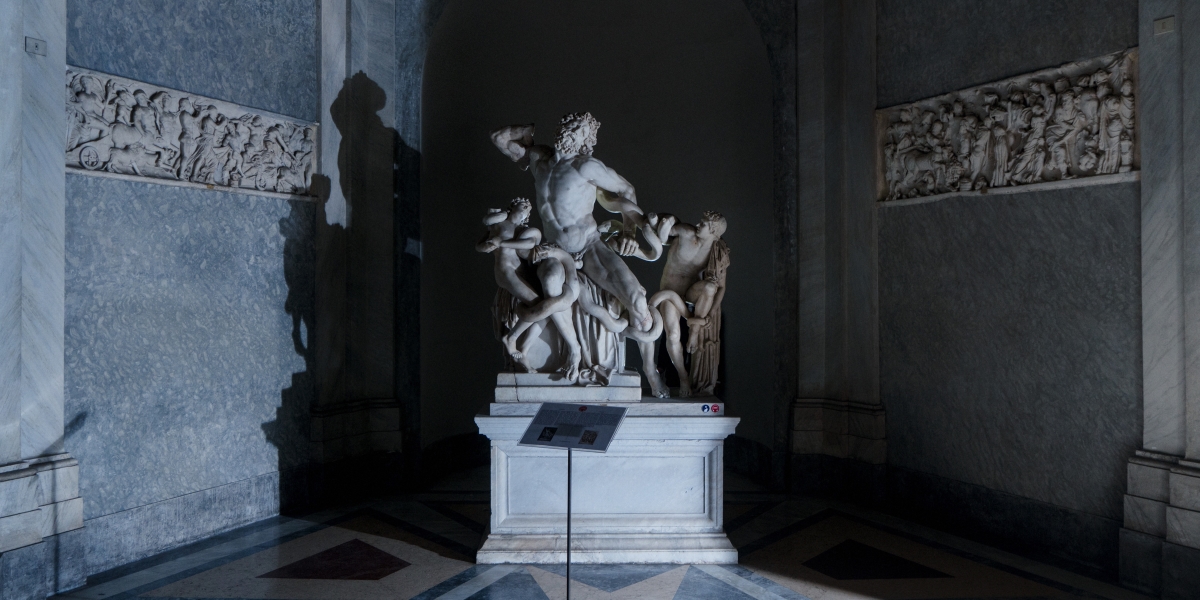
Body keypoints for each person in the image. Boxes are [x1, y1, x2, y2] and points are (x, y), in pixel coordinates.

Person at [490, 113, 655, 332]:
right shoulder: (539, 158)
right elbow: (499, 138)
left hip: (588, 246)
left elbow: (626, 189)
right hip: (555, 249)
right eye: (571, 125)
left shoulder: (586, 166)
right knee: (549, 282)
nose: (574, 131)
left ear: (586, 140)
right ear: (560, 128)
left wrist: (629, 234)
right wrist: (526, 130)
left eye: (582, 130)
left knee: (637, 301)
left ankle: (644, 355)